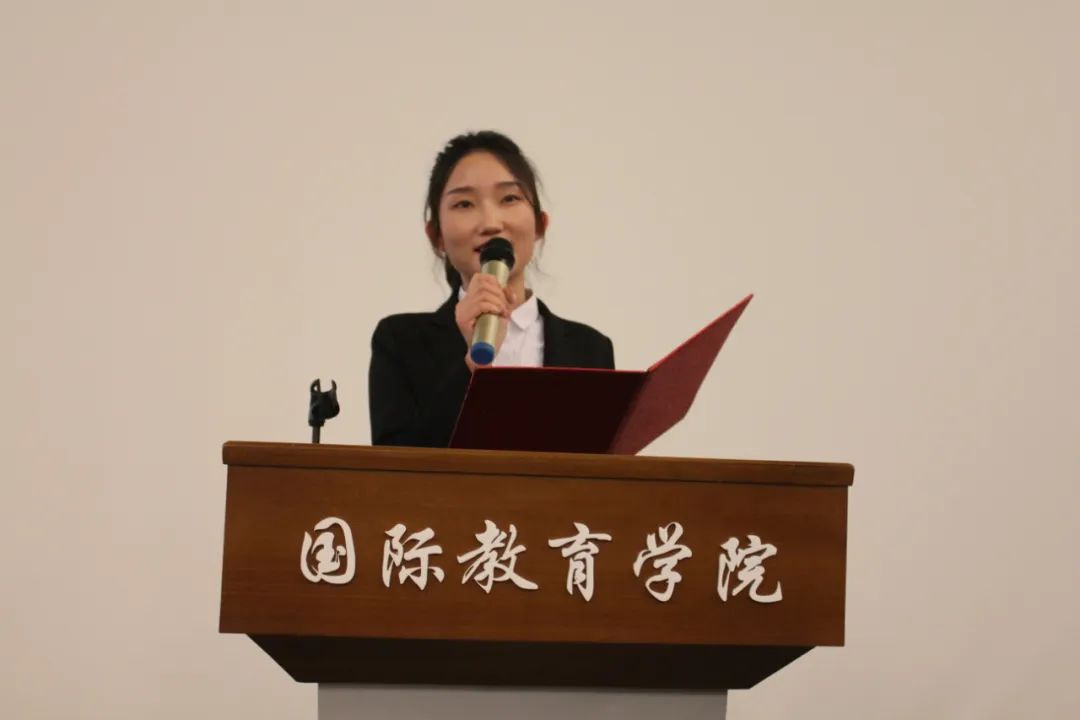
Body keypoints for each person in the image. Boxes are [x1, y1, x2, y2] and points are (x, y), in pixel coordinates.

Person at [368, 130, 614, 447]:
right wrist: (473, 367)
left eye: (509, 198)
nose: (490, 223)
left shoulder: (590, 349)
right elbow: (395, 465)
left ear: (540, 224)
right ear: (436, 236)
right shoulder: (401, 341)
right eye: (464, 203)